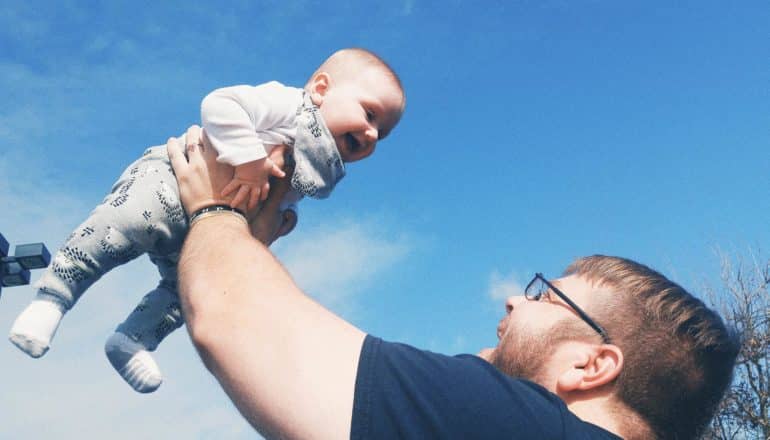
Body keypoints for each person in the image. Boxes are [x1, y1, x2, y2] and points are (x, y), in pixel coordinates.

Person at [168, 132, 740, 439]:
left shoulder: (515, 423)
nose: (514, 298)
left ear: (592, 366)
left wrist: (214, 209)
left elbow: (236, 320)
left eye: (543, 295)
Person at [8, 47, 405, 393]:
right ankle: (53, 299)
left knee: (189, 289)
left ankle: (134, 340)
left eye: (382, 134)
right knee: (119, 227)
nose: (371, 133)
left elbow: (279, 202)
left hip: (209, 227)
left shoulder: (319, 169)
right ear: (321, 89)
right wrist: (249, 161)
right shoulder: (289, 107)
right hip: (170, 185)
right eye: (369, 113)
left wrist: (268, 231)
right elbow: (220, 104)